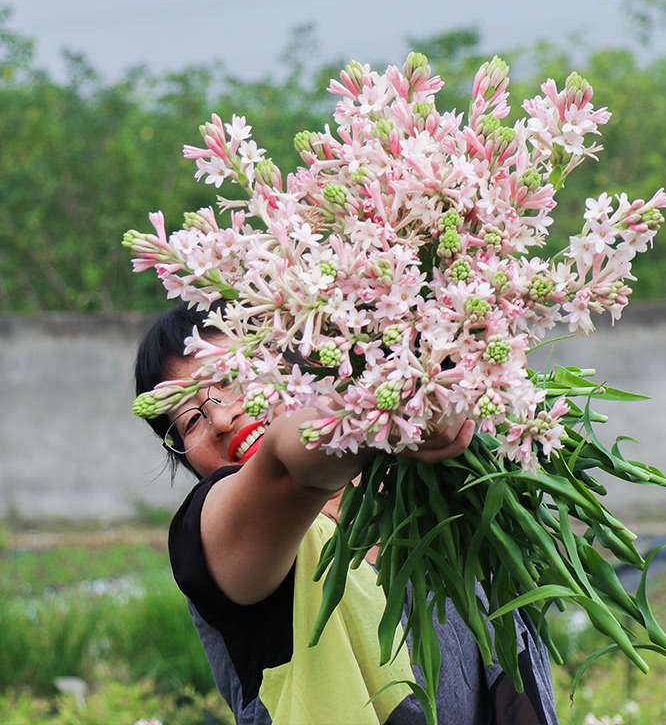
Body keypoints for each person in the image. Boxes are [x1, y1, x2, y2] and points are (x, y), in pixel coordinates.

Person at [135, 301, 560, 725]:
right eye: (190, 421)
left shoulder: (446, 486)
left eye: (231, 377)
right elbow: (286, 465)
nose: (222, 417)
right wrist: (389, 410)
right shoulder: (211, 538)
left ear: (301, 356)